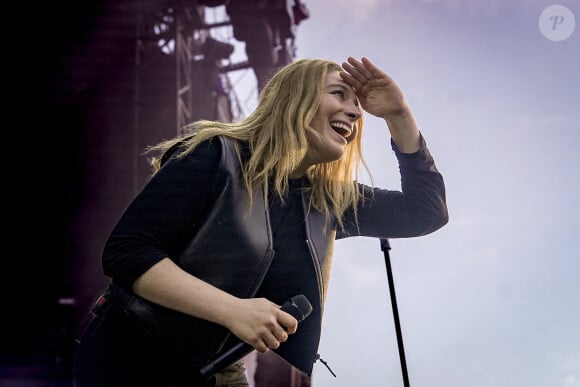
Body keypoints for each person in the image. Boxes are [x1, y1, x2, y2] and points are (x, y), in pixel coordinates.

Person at [72, 56, 448, 387]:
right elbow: (127, 252)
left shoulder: (326, 201)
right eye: (338, 94)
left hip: (218, 371)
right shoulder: (216, 154)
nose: (354, 112)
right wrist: (233, 310)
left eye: (357, 105)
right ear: (294, 100)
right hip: (136, 352)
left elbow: (425, 210)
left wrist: (399, 114)